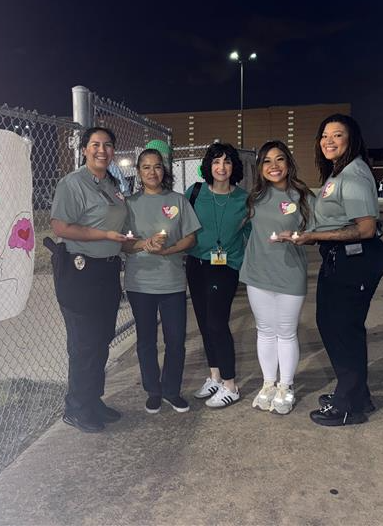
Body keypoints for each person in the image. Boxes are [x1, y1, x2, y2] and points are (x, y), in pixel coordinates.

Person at [292, 114, 383, 427]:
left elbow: (365, 229)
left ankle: (348, 405)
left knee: (342, 329)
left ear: (352, 139)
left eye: (337, 135)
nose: (329, 141)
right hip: (341, 258)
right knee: (336, 325)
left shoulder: (354, 173)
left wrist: (313, 236)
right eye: (324, 136)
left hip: (355, 258)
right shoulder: (340, 172)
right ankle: (357, 395)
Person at [49, 126, 128, 433]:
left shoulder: (111, 183)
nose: (102, 150)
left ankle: (93, 400)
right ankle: (76, 408)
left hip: (107, 271)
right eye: (95, 144)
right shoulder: (72, 183)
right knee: (83, 344)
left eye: (108, 145)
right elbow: (61, 227)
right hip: (81, 271)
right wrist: (104, 235)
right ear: (84, 149)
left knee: (101, 340)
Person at [123, 149, 200, 414]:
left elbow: (191, 237)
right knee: (146, 340)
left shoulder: (178, 200)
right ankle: (153, 390)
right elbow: (124, 245)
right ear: (139, 172)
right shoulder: (129, 204)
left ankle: (171, 390)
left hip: (172, 283)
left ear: (163, 171)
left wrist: (169, 249)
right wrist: (145, 244)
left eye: (157, 167)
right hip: (140, 284)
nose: (152, 172)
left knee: (175, 339)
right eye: (146, 167)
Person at [240, 141, 314, 415]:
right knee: (265, 331)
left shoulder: (302, 196)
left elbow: (316, 233)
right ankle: (269, 383)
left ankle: (286, 385)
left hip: (290, 276)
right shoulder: (254, 198)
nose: (274, 166)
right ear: (260, 168)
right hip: (257, 275)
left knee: (286, 332)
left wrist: (300, 238)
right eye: (267, 161)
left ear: (289, 164)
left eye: (280, 159)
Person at [185, 142, 249, 408]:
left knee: (216, 323)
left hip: (224, 265)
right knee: (203, 321)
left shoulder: (244, 198)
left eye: (227, 162)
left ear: (234, 166)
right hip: (196, 263)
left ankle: (230, 385)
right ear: (208, 166)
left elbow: (252, 230)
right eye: (216, 162)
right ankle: (214, 375)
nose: (221, 167)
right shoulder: (195, 192)